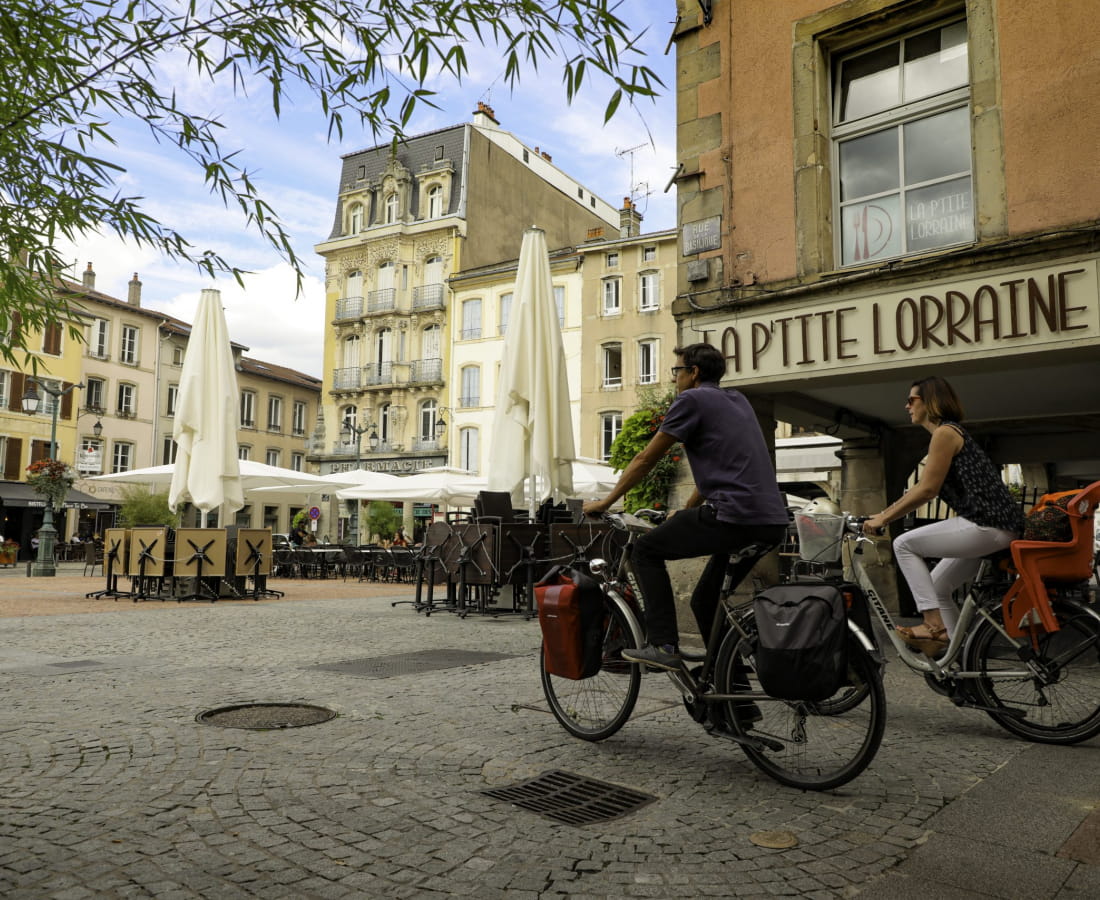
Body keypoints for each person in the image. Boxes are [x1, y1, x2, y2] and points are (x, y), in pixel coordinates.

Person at [582, 343, 789, 671]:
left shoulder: (691, 399)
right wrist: (687, 508)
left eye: (677, 371)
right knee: (706, 603)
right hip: (770, 522)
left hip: (733, 517)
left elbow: (646, 457)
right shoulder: (738, 400)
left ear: (693, 373)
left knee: (646, 552)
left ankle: (663, 644)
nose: (674, 378)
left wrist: (606, 502)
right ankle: (735, 707)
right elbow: (722, 471)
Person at [863, 376, 1023, 654]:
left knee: (903, 544)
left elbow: (927, 490)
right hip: (998, 527)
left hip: (986, 524)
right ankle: (956, 657)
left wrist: (884, 519)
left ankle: (932, 625)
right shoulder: (951, 433)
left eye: (911, 400)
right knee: (938, 587)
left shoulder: (945, 433)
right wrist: (883, 513)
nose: (906, 406)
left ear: (930, 401)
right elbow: (921, 489)